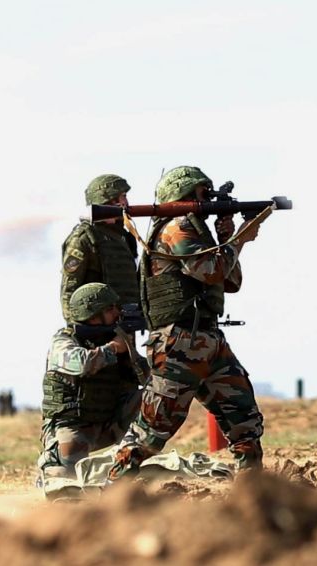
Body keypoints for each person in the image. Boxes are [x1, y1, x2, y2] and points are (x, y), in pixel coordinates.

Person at [108, 165, 263, 480]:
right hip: (178, 343)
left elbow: (229, 281)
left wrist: (227, 238)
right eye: (202, 193)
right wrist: (239, 240)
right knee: (154, 428)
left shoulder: (196, 230)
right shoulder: (176, 228)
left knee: (243, 419)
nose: (208, 200)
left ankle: (254, 490)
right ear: (185, 193)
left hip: (207, 340)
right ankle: (116, 486)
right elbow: (210, 270)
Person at [38, 283, 144, 486]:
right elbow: (81, 363)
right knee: (64, 482)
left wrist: (133, 351)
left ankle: (131, 456)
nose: (117, 313)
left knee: (153, 396)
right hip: (73, 426)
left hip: (110, 420)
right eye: (110, 308)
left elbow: (145, 378)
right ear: (93, 314)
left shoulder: (114, 336)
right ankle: (52, 466)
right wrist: (113, 348)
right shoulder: (63, 340)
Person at [60, 174, 139, 323]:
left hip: (123, 322)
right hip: (97, 323)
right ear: (111, 200)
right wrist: (74, 326)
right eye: (123, 196)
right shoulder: (84, 238)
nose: (126, 202)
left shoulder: (123, 237)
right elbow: (69, 288)